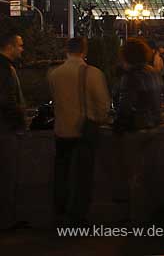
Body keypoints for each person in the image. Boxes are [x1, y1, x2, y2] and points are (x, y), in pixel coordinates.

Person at [47, 37, 111, 226]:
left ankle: (59, 212)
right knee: (83, 176)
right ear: (84, 51)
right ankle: (78, 216)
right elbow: (103, 105)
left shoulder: (54, 74)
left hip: (61, 130)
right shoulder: (92, 73)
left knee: (61, 173)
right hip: (84, 131)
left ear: (66, 50)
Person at [112, 37, 164, 225]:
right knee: (150, 172)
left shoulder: (130, 77)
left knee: (134, 175)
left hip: (136, 129)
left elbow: (125, 106)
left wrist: (117, 125)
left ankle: (136, 217)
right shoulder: (153, 72)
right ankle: (151, 212)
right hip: (153, 127)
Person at [0, 30, 27, 232]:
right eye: (19, 45)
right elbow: (7, 100)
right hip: (6, 129)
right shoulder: (5, 69)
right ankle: (7, 221)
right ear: (9, 47)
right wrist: (20, 115)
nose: (22, 49)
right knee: (8, 176)